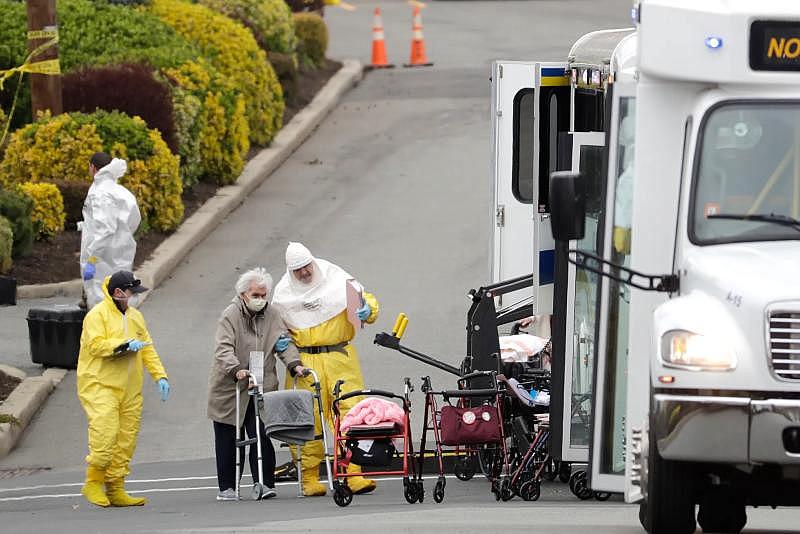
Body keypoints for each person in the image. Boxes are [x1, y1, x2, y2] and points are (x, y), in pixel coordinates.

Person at [272, 242, 379, 497]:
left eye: (306, 267)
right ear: (291, 272)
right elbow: (271, 322)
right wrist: (276, 339)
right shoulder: (283, 294)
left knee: (351, 412)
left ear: (313, 262)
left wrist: (368, 311)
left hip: (340, 356)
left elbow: (367, 300)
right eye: (298, 270)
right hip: (305, 362)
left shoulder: (336, 278)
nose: (304, 273)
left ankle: (353, 472)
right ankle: (308, 477)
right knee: (307, 418)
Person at [208, 268, 304, 501]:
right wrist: (236, 369)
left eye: (264, 295)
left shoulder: (272, 314)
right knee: (229, 436)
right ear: (243, 294)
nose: (260, 300)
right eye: (256, 295)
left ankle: (264, 482)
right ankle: (227, 487)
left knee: (261, 432)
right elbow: (223, 348)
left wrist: (294, 363)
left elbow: (283, 342)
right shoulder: (230, 315)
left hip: (261, 383)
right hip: (231, 385)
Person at [77, 270, 170, 507]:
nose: (133, 297)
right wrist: (124, 345)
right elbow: (96, 346)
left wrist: (160, 375)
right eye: (131, 292)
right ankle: (93, 482)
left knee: (125, 440)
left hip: (130, 388)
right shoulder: (97, 316)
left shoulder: (135, 316)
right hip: (100, 384)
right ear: (118, 293)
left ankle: (116, 487)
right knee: (105, 435)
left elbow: (147, 348)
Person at [80, 152, 141, 309]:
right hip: (121, 251)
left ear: (93, 167)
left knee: (100, 298)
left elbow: (105, 229)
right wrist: (123, 237)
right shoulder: (121, 191)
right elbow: (134, 219)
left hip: (100, 256)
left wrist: (92, 258)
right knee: (120, 295)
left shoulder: (99, 193)